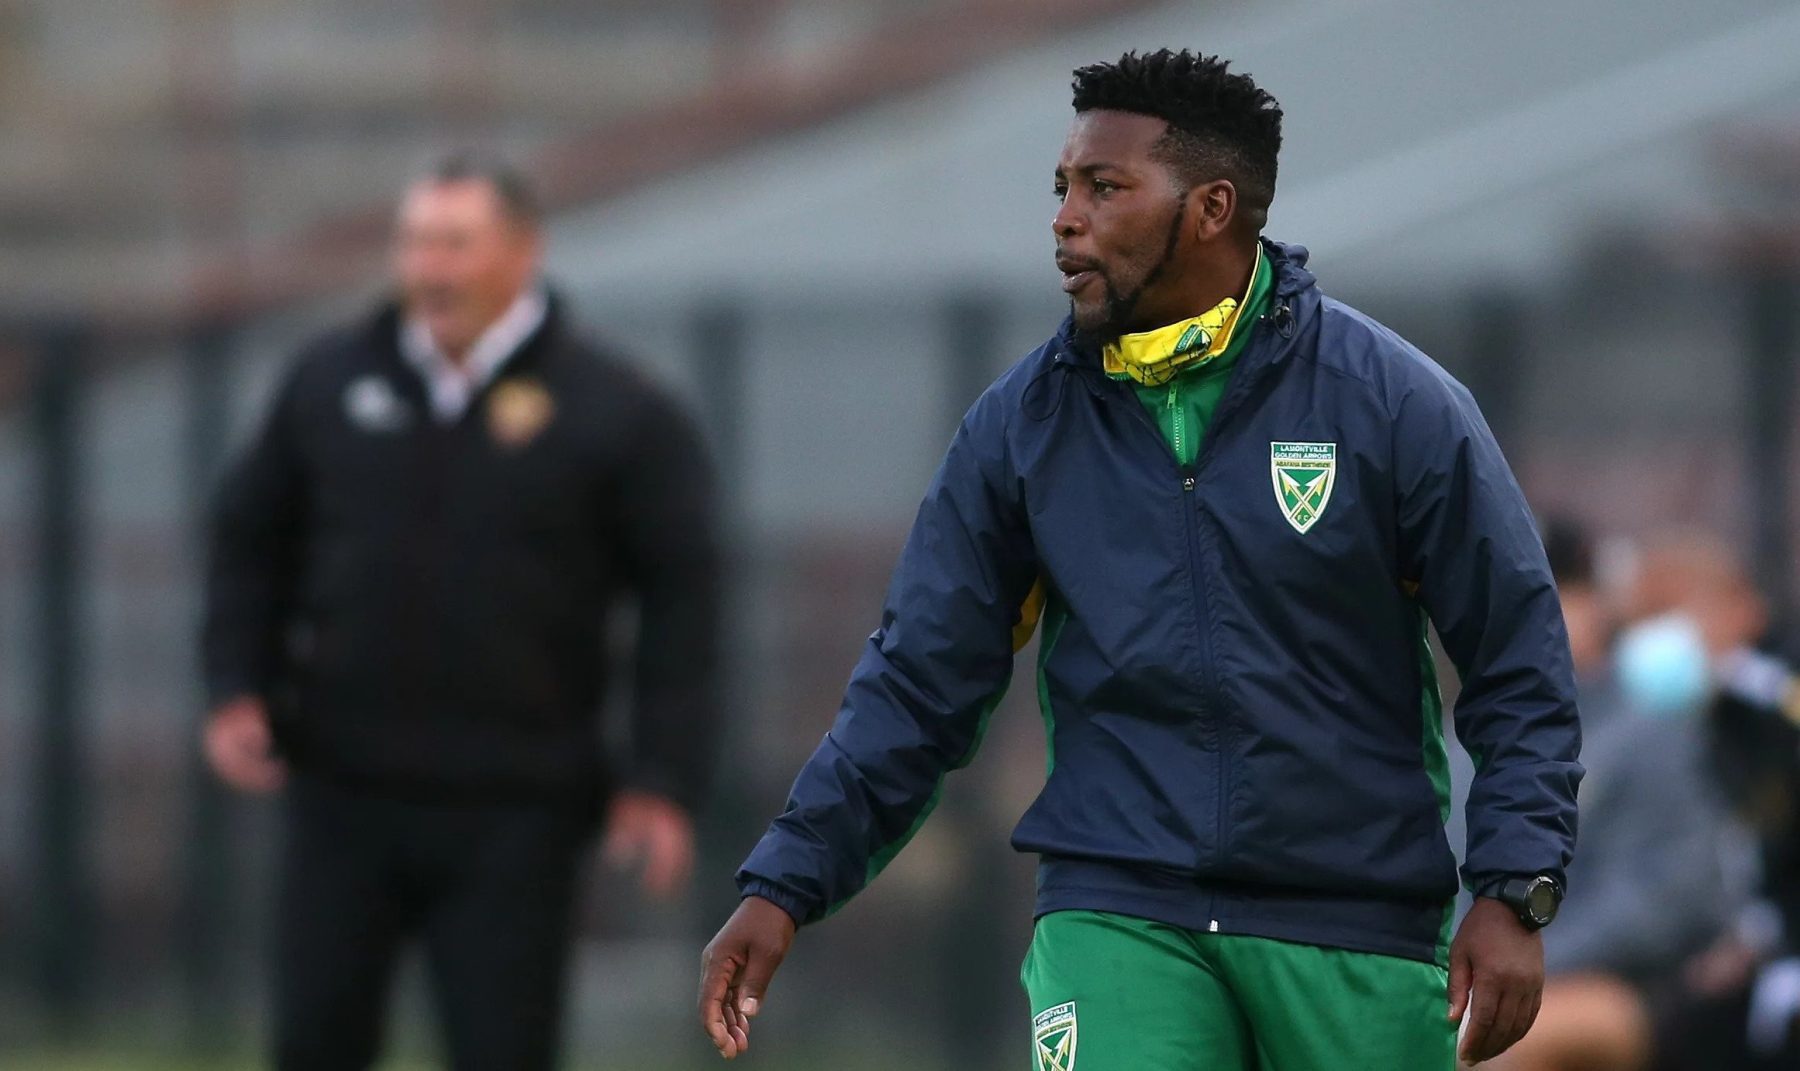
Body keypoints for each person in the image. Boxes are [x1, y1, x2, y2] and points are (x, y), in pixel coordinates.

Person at [696, 50, 1581, 1070]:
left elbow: (1519, 660)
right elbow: (917, 681)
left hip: (1354, 920)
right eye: (1062, 188)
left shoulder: (1393, 404)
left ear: (1211, 208)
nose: (1066, 219)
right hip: (1117, 908)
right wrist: (785, 882)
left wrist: (1514, 890)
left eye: (1104, 187)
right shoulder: (1021, 429)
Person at [203, 151, 721, 1071]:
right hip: (343, 790)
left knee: (503, 1050)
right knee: (313, 1042)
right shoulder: (327, 381)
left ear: (524, 251)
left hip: (517, 807)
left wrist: (662, 774)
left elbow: (683, 598)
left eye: (455, 244)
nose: (431, 268)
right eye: (414, 243)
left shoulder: (617, 408)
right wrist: (238, 682)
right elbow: (249, 537)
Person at [1494, 523, 1747, 1071]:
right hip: (1497, 983)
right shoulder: (1465, 736)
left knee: (1498, 1046)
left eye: (1562, 593)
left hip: (1628, 987)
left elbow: (1666, 898)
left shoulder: (1651, 730)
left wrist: (1521, 960)